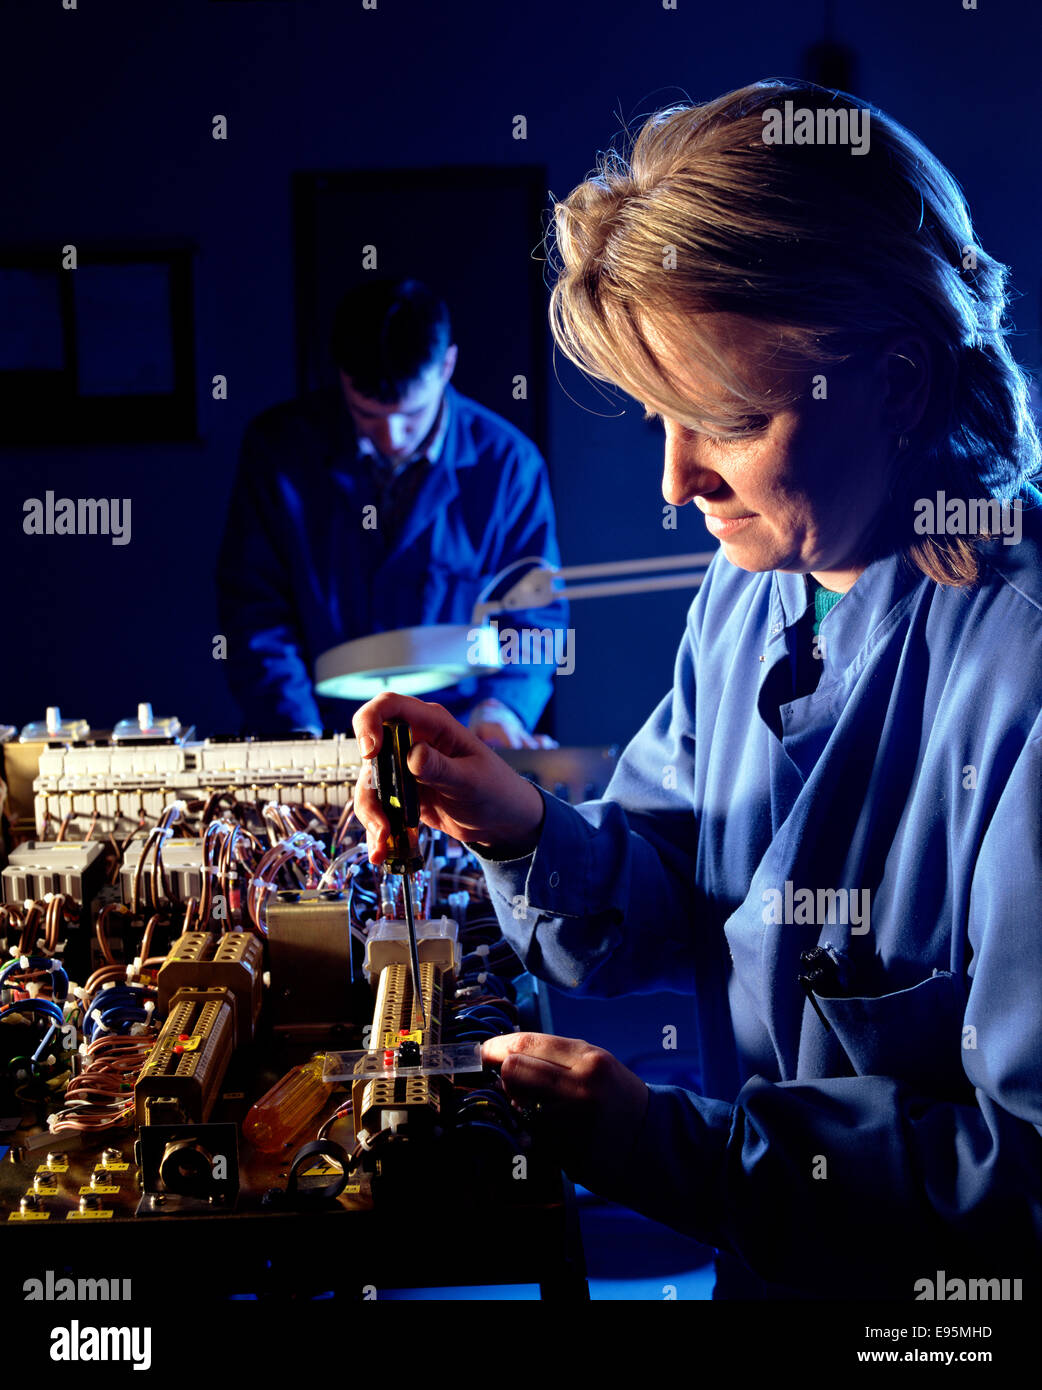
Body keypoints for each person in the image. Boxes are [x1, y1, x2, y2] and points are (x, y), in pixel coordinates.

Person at [351, 79, 1042, 1300]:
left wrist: (661, 1145)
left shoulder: (1022, 676)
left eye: (725, 418)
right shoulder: (750, 593)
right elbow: (667, 884)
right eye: (658, 416)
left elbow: (1019, 1181)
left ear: (898, 381)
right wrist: (512, 821)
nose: (675, 483)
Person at [215, 276, 566, 748]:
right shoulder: (278, 452)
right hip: (322, 732)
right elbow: (256, 611)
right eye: (368, 416)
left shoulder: (508, 466)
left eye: (412, 415)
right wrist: (294, 734)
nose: (393, 438)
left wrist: (502, 706)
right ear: (341, 376)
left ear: (447, 365)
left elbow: (534, 618)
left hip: (456, 738)